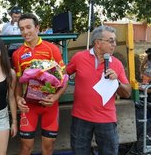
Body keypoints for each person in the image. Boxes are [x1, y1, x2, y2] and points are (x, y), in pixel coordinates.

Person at [66, 25, 132, 155]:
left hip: (106, 119)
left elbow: (128, 92)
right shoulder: (79, 57)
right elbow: (64, 74)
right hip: (81, 118)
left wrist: (117, 82)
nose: (114, 44)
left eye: (115, 41)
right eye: (111, 41)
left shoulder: (117, 63)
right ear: (98, 43)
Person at [12, 13, 68, 155]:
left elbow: (64, 78)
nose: (25, 32)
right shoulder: (17, 54)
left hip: (50, 105)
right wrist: (18, 98)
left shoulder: (51, 49)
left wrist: (56, 97)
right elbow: (18, 82)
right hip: (29, 106)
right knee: (26, 147)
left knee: (48, 147)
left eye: (28, 27)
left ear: (37, 28)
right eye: (22, 28)